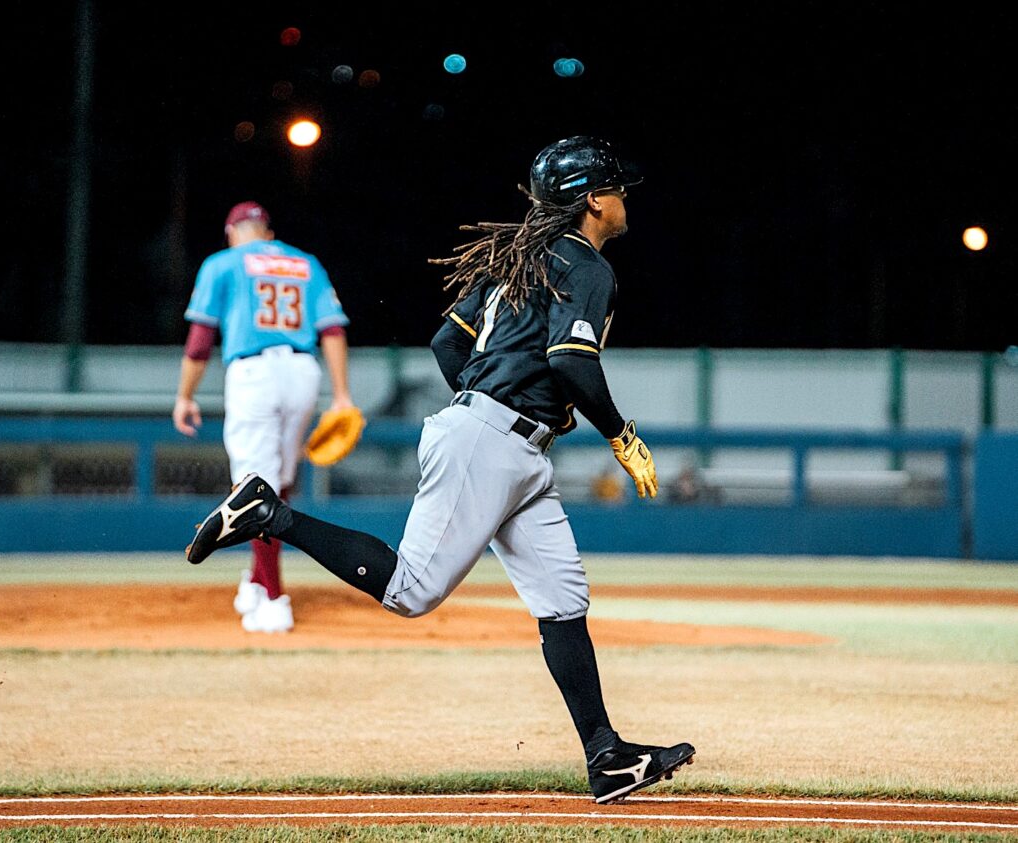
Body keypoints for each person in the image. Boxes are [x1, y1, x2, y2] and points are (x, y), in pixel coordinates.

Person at [183, 138, 695, 802]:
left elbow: (447, 340)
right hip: (492, 441)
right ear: (593, 200)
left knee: (564, 601)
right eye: (616, 188)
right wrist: (618, 434)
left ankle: (607, 756)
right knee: (410, 590)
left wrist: (485, 399)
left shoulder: (519, 260)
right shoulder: (588, 266)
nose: (624, 198)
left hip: (510, 445)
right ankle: (268, 513)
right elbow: (572, 362)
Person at [173, 200, 354, 633]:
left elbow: (200, 341)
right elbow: (331, 329)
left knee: (253, 489)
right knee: (280, 484)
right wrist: (343, 394)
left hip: (254, 372)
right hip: (302, 372)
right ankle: (257, 581)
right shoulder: (305, 262)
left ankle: (274, 599)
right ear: (268, 233)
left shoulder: (223, 262)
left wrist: (185, 396)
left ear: (233, 232)